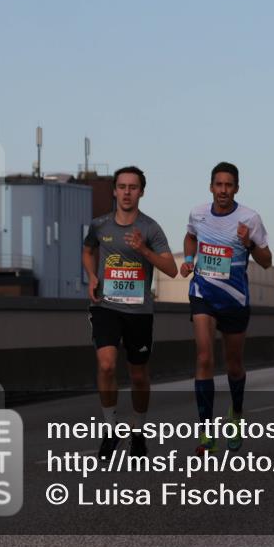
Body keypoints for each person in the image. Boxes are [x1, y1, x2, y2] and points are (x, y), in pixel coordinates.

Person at [83, 166, 177, 460]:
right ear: (114, 191)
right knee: (107, 365)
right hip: (106, 306)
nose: (126, 192)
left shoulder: (150, 228)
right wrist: (92, 276)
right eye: (122, 186)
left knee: (138, 376)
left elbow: (171, 270)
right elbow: (88, 251)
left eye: (133, 187)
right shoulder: (100, 226)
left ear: (141, 192)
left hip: (139, 312)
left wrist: (145, 250)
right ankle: (110, 430)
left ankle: (138, 432)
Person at [181, 162, 271, 454]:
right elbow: (191, 236)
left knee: (233, 365)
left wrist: (248, 242)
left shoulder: (250, 218)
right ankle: (206, 432)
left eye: (228, 185)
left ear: (236, 189)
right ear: (211, 187)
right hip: (203, 293)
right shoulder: (198, 213)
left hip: (234, 299)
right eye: (218, 185)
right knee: (204, 357)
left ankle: (236, 414)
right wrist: (188, 259)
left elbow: (267, 260)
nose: (223, 190)